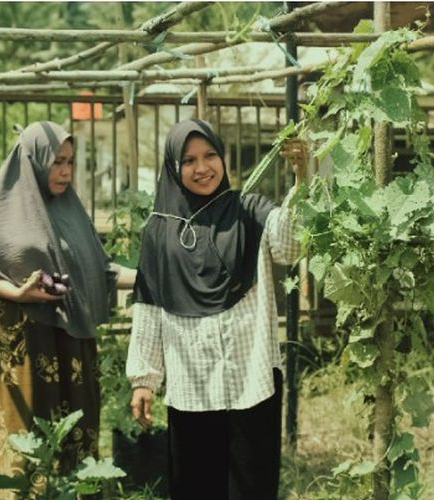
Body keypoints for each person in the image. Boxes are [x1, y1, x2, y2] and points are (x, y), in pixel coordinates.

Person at [126, 119, 307, 500]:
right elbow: (149, 305)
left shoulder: (248, 210)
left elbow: (290, 247)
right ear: (174, 167)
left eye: (210, 155)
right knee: (196, 487)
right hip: (192, 386)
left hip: (250, 380)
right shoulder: (159, 232)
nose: (202, 168)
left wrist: (301, 179)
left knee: (251, 487)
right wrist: (144, 379)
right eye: (189, 160)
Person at [0, 121, 134, 493]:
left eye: (69, 162)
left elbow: (100, 271)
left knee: (72, 433)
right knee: (25, 436)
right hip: (22, 349)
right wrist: (18, 293)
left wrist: (154, 276)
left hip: (71, 345)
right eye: (56, 162)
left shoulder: (70, 212)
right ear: (33, 159)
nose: (65, 171)